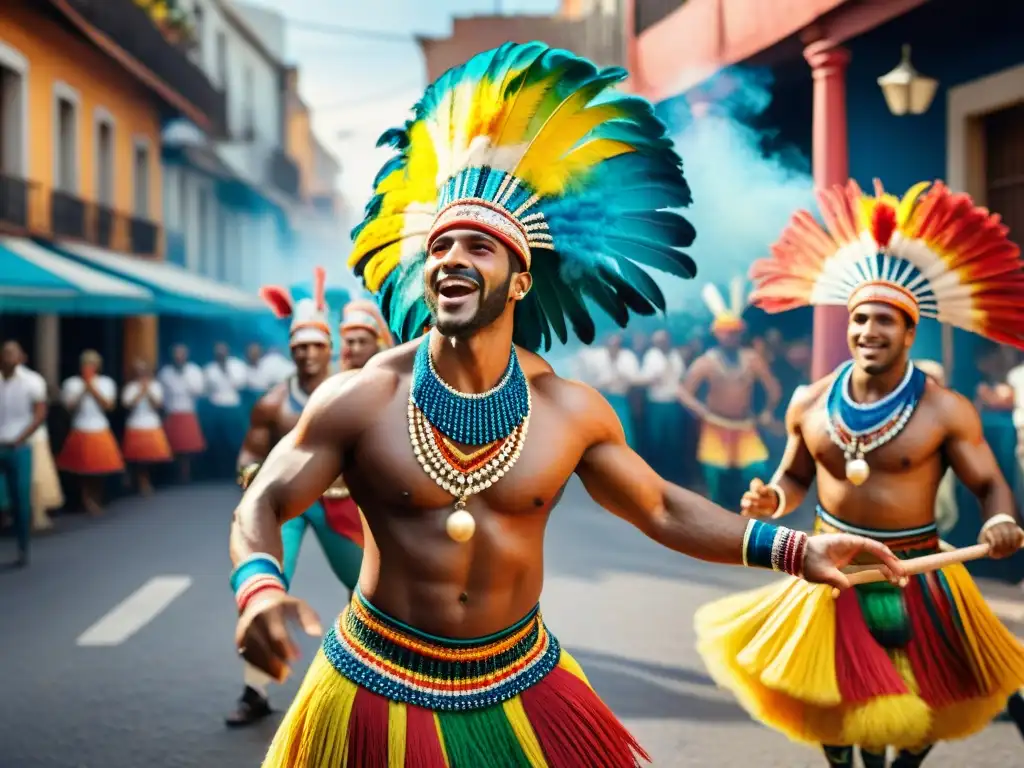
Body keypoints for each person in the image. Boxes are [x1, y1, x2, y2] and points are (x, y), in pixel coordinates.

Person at [228, 43, 906, 767]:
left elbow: (660, 507)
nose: (451, 258)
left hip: (521, 686)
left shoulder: (568, 410)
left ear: (519, 282)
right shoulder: (363, 398)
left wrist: (799, 549)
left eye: (478, 249)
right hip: (375, 686)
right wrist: (260, 592)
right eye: (440, 245)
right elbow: (262, 501)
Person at [694, 178, 1024, 768]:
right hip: (831, 568)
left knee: (922, 705)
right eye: (860, 319)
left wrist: (999, 517)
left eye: (885, 321)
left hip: (917, 569)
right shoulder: (810, 401)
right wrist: (772, 497)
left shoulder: (945, 408)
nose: (869, 331)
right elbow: (794, 475)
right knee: (838, 707)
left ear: (910, 331)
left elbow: (987, 482)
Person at [226, 269, 368, 727]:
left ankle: (365, 686)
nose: (307, 354)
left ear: (330, 348)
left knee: (368, 590)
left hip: (340, 502)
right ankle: (255, 688)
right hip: (288, 506)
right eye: (299, 347)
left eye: (315, 346)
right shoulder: (272, 403)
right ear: (290, 350)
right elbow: (250, 449)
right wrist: (252, 475)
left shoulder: (353, 391)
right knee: (262, 591)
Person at [678, 276, 781, 508]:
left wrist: (767, 411)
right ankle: (715, 516)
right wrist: (701, 410)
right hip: (715, 425)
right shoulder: (706, 362)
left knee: (756, 470)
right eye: (726, 332)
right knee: (714, 474)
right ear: (717, 334)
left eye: (734, 332)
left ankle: (752, 515)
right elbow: (683, 392)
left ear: (740, 334)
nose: (730, 337)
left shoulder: (752, 359)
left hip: (745, 426)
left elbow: (773, 388)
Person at [57, 350, 124, 515]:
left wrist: (92, 388)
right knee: (83, 470)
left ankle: (97, 497)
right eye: (85, 364)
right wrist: (83, 389)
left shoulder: (106, 382)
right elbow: (69, 407)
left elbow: (109, 406)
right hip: (80, 428)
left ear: (98, 366)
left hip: (100, 428)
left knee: (100, 468)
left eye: (92, 364)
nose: (88, 367)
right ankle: (86, 500)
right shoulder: (71, 383)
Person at [0, 341, 47, 566]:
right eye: (5, 353)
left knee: (20, 496)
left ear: (21, 357)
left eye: (12, 353)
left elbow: (39, 414)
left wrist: (21, 437)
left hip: (19, 446)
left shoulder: (32, 381)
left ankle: (22, 546)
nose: (8, 357)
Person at [18, 351, 62, 532]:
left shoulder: (32, 380)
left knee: (36, 477)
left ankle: (37, 515)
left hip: (32, 435)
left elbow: (40, 412)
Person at [638, 328, 686, 481]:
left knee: (674, 439)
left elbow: (681, 376)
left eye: (664, 339)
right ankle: (656, 475)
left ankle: (673, 475)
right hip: (657, 404)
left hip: (673, 403)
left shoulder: (675, 355)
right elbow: (646, 377)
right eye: (658, 340)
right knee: (656, 439)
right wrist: (655, 377)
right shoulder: (651, 356)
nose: (662, 342)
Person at [120, 358, 172, 496]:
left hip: (152, 424)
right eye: (139, 371)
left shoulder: (155, 386)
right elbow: (128, 405)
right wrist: (140, 392)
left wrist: (147, 391)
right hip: (135, 424)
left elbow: (158, 405)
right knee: (136, 457)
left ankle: (146, 480)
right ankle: (140, 481)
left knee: (151, 457)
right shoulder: (130, 387)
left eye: (144, 371)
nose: (142, 374)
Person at [158, 344, 206, 483]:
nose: (179, 357)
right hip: (171, 411)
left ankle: (186, 475)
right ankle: (172, 476)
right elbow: (162, 395)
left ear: (186, 355)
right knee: (172, 446)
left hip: (187, 410)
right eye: (176, 354)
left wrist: (184, 377)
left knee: (188, 448)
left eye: (181, 354)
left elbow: (199, 391)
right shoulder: (165, 372)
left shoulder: (193, 370)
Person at [203, 342, 248, 480]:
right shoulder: (209, 369)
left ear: (228, 352)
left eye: (223, 352)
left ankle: (236, 472)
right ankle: (220, 474)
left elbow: (241, 384)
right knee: (218, 443)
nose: (221, 354)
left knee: (236, 442)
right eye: (218, 352)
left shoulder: (237, 365)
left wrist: (226, 370)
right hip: (217, 408)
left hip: (233, 407)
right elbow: (205, 390)